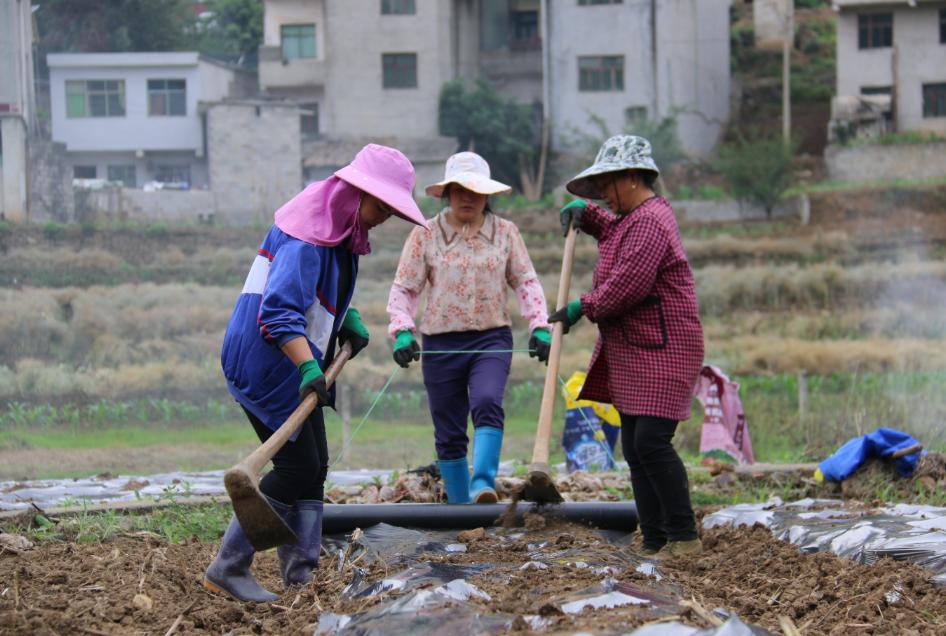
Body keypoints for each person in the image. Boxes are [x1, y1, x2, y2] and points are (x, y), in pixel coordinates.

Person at [205, 144, 429, 602]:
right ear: (358, 191)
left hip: (293, 359)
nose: (386, 214)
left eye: (392, 207)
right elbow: (279, 311)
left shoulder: (340, 224)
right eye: (382, 204)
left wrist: (344, 319)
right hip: (267, 362)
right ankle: (228, 566)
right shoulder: (310, 234)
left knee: (315, 467)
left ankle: (301, 576)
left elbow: (315, 294)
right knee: (295, 466)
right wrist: (309, 363)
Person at [550, 135, 705, 558]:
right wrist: (590, 216)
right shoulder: (633, 219)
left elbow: (628, 285)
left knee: (652, 441)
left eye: (608, 184)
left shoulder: (651, 221)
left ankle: (684, 537)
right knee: (636, 445)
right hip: (639, 348)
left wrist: (583, 305)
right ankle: (655, 539)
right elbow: (616, 232)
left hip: (664, 347)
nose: (603, 194)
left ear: (633, 177)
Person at [386, 152, 551, 504]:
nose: (467, 197)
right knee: (448, 428)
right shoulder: (425, 234)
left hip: (492, 337)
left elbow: (526, 281)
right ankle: (461, 506)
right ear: (447, 193)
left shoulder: (506, 233)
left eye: (475, 190)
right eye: (459, 189)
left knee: (488, 400)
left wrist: (540, 326)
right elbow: (405, 287)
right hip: (441, 343)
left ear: (487, 195)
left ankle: (483, 485)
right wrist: (402, 329)